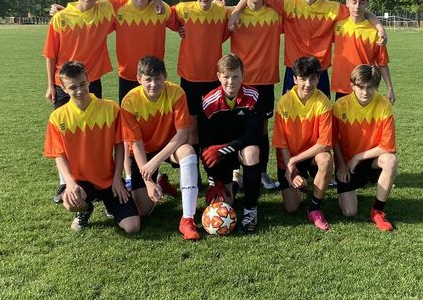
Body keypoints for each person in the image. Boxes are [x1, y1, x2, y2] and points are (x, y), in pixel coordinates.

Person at [230, 0, 387, 97]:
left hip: (319, 71)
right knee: (292, 113)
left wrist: (379, 27)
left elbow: (359, 9)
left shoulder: (331, 8)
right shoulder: (288, 3)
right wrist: (236, 12)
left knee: (320, 113)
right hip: (295, 71)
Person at [44, 0, 129, 203]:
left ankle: (98, 180)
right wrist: (50, 84)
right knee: (64, 135)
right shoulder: (61, 18)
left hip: (91, 82)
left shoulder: (106, 9)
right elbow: (50, 54)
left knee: (95, 133)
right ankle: (65, 184)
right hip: (64, 85)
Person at [43, 61, 140, 233]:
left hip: (109, 179)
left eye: (82, 84)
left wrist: (117, 178)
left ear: (88, 80)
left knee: (133, 227)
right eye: (73, 87)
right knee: (71, 203)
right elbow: (59, 155)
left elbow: (119, 145)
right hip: (81, 181)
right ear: (63, 89)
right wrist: (70, 183)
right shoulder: (57, 117)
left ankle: (110, 205)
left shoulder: (111, 108)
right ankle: (85, 209)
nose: (79, 90)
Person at [120, 56, 200, 241]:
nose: (153, 84)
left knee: (188, 152)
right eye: (148, 79)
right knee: (143, 211)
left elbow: (183, 134)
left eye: (158, 78)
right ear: (139, 79)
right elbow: (136, 143)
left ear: (165, 76)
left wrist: (155, 162)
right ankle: (159, 183)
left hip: (170, 146)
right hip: (143, 152)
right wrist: (148, 181)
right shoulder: (129, 101)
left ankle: (187, 219)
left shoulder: (176, 93)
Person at [228, 0, 283, 191]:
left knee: (262, 129)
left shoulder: (275, 15)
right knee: (237, 127)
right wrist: (236, 11)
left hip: (265, 82)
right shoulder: (233, 15)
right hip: (241, 83)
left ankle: (261, 172)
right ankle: (236, 173)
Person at [171, 0, 230, 172]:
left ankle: (213, 172)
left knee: (213, 126)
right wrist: (179, 27)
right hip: (189, 78)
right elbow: (163, 14)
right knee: (192, 128)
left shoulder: (222, 11)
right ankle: (193, 172)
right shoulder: (183, 9)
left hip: (213, 79)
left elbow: (238, 12)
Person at [198, 54, 263, 234]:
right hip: (220, 156)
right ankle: (234, 183)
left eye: (235, 76)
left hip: (240, 148)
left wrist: (227, 148)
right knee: (225, 205)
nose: (231, 82)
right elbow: (206, 148)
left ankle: (250, 210)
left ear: (243, 76)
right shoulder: (208, 102)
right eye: (226, 76)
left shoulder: (253, 96)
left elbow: (253, 136)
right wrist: (214, 179)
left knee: (252, 152)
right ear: (218, 76)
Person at [332, 65, 398, 231]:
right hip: (347, 164)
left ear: (376, 86)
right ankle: (347, 193)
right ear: (352, 85)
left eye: (370, 87)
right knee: (350, 212)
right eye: (360, 87)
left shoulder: (384, 105)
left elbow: (388, 145)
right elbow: (334, 140)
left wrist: (358, 157)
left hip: (372, 160)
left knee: (390, 161)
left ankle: (378, 211)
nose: (365, 92)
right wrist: (341, 165)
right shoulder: (340, 105)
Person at [272, 56, 333, 231]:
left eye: (312, 78)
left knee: (326, 159)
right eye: (303, 79)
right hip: (289, 157)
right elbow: (281, 142)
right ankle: (301, 184)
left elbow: (324, 144)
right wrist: (290, 168)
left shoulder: (323, 102)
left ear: (318, 79)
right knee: (292, 207)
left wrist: (294, 160)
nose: (308, 84)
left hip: (312, 156)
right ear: (294, 79)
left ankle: (314, 208)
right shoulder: (284, 102)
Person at [331, 0, 395, 102]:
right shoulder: (338, 25)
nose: (357, 6)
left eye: (362, 2)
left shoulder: (375, 32)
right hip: (342, 86)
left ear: (367, 4)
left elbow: (382, 62)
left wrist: (389, 88)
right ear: (347, 3)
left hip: (365, 87)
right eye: (354, 2)